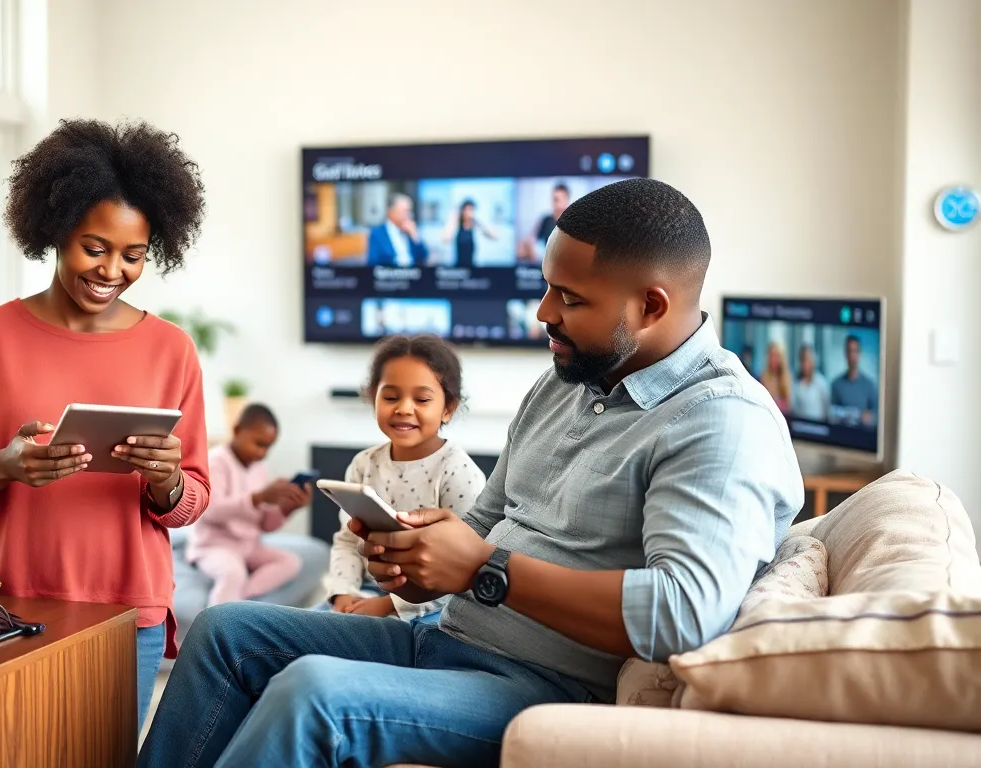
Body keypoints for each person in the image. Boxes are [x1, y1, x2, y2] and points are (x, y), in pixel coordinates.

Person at [138, 178, 804, 768]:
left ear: (652, 306)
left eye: (570, 299)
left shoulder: (721, 422)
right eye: (547, 287)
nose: (543, 313)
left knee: (314, 694)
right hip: (441, 636)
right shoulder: (565, 382)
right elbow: (484, 520)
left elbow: (684, 613)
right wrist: (417, 553)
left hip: (544, 686)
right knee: (225, 632)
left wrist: (486, 570)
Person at [0, 118, 210, 729]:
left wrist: (166, 480)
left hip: (127, 614)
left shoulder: (171, 350)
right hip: (2, 609)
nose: (112, 270)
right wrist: (2, 467)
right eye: (94, 248)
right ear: (56, 231)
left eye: (133, 256)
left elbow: (192, 499)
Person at [318, 334, 486, 622]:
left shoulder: (458, 473)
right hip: (366, 593)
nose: (404, 408)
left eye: (422, 399)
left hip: (430, 609)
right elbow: (348, 540)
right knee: (308, 626)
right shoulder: (363, 464)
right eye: (391, 397)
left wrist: (390, 606)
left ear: (448, 408)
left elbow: (465, 569)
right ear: (373, 399)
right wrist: (343, 593)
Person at [185, 404, 308, 606]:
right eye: (259, 444)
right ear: (237, 431)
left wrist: (287, 508)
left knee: (290, 562)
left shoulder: (260, 468)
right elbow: (211, 510)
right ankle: (217, 621)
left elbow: (265, 525)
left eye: (268, 447)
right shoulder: (216, 461)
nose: (263, 453)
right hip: (213, 546)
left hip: (249, 547)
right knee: (233, 573)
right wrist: (258, 498)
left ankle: (241, 600)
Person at [367, 192, 428, 266]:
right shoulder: (377, 233)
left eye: (410, 211)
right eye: (406, 211)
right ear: (391, 212)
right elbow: (373, 263)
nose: (410, 215)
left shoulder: (410, 232)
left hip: (413, 272)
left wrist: (415, 236)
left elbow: (423, 257)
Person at [830, 335, 878, 427]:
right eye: (849, 351)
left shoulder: (870, 386)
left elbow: (877, 415)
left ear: (860, 354)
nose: (852, 356)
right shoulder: (836, 385)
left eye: (855, 351)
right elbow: (831, 415)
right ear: (845, 354)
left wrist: (870, 417)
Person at [519, 182, 571, 264]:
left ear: (566, 200)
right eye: (554, 200)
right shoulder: (546, 220)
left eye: (557, 200)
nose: (555, 204)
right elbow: (532, 240)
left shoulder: (573, 222)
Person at [441, 199, 497, 268]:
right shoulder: (456, 225)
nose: (469, 213)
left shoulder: (476, 225)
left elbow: (494, 237)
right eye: (466, 210)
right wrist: (454, 219)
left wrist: (480, 223)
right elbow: (445, 239)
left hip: (474, 266)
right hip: (458, 266)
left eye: (471, 210)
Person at [790, 344, 831, 422]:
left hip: (819, 426)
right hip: (799, 426)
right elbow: (792, 409)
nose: (804, 364)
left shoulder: (822, 383)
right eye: (802, 360)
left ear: (813, 361)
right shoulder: (795, 384)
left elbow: (827, 412)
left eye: (807, 360)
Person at [760, 339, 793, 413]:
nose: (773, 359)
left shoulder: (787, 379)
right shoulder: (762, 378)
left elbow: (790, 406)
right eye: (771, 355)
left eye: (776, 356)